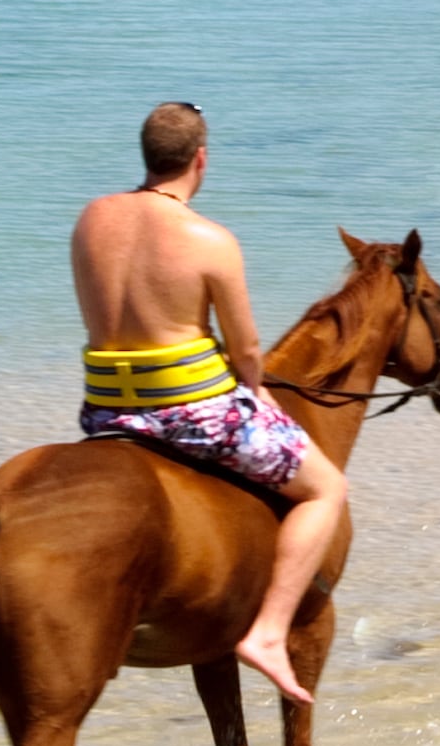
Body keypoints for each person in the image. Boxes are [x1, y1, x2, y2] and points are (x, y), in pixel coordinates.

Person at [71, 100, 353, 708]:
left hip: (105, 411)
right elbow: (247, 350)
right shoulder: (210, 240)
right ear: (201, 160)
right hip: (190, 412)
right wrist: (253, 392)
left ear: (147, 155)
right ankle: (269, 633)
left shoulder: (91, 219)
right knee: (327, 489)